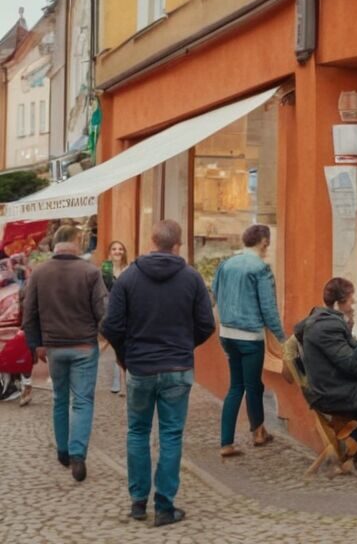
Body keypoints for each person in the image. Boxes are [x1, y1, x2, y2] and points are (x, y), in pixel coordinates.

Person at [101, 220, 216, 527]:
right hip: (177, 368)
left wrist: (126, 357)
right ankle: (164, 505)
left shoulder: (129, 278)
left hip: (140, 366)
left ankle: (138, 502)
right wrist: (182, 346)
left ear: (151, 241)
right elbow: (206, 325)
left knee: (137, 432)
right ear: (177, 245)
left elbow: (111, 326)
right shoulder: (191, 278)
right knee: (171, 435)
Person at [21, 225, 106, 482]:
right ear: (76, 243)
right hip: (84, 346)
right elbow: (104, 312)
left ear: (55, 244)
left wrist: (37, 345)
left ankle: (63, 451)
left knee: (60, 398)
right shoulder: (91, 272)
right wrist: (107, 338)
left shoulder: (40, 273)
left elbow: (29, 314)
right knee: (82, 401)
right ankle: (78, 454)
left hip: (54, 347)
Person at [294, 277, 357, 466]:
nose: (353, 305)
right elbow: (350, 364)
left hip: (329, 384)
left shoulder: (322, 321)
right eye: (350, 301)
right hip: (331, 391)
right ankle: (352, 444)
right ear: (337, 303)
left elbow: (344, 352)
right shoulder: (328, 326)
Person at [212, 224, 287, 457]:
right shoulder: (260, 268)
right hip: (250, 335)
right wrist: (281, 337)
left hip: (227, 333)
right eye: (268, 242)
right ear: (264, 242)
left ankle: (249, 434)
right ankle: (243, 437)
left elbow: (215, 292)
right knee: (248, 386)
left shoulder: (225, 263)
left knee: (240, 385)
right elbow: (268, 307)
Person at [102, 240, 131, 394]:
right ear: (109, 252)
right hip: (109, 311)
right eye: (114, 249)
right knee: (114, 343)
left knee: (121, 344)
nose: (118, 252)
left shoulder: (129, 269)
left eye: (120, 249)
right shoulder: (105, 269)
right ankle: (118, 380)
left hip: (126, 311)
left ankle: (120, 382)